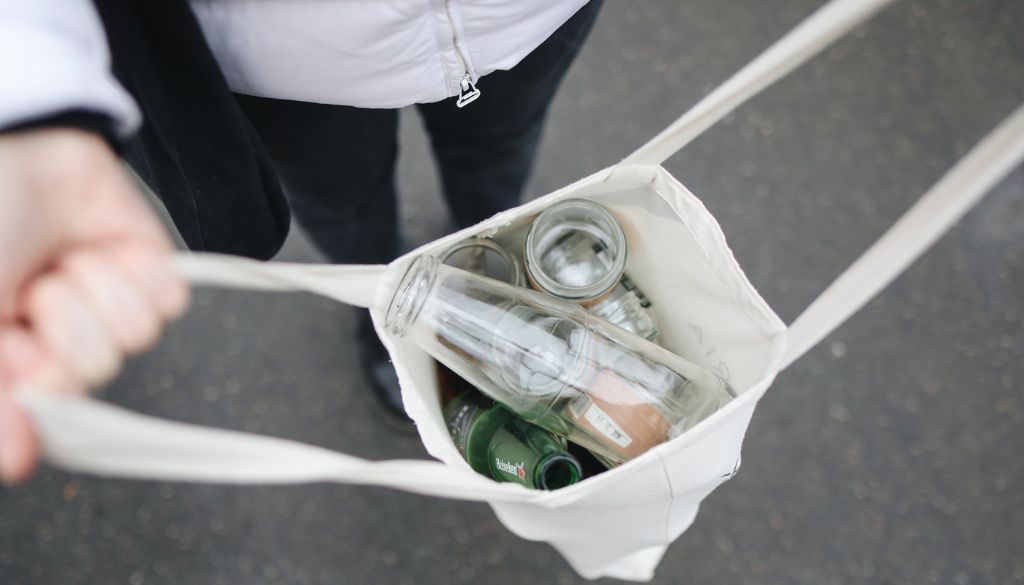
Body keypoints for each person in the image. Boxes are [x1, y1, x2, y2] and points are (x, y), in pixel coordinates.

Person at [0, 0, 603, 483]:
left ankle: (493, 269)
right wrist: (34, 97)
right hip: (286, 57)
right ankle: (384, 306)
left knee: (497, 172)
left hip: (528, 17)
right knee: (347, 210)